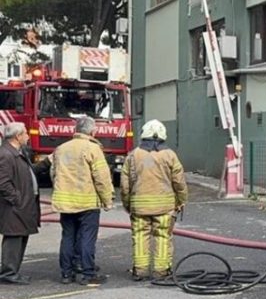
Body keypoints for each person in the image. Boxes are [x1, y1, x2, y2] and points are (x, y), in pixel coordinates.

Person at [120, 120, 187, 281]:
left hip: (139, 207)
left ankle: (140, 271)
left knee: (140, 236)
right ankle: (161, 271)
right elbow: (179, 181)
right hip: (165, 207)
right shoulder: (170, 155)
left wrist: (127, 203)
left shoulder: (133, 155)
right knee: (163, 237)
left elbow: (124, 184)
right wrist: (181, 200)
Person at [51, 116, 113, 284]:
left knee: (68, 237)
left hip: (65, 202)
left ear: (75, 130)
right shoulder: (93, 148)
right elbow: (101, 178)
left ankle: (66, 274)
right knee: (87, 238)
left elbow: (53, 174)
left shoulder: (61, 149)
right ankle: (88, 273)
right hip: (87, 202)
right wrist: (107, 200)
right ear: (93, 131)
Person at [0, 123, 42, 284]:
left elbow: (29, 172)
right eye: (25, 133)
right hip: (14, 207)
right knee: (13, 239)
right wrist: (17, 200)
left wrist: (47, 163)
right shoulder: (5, 154)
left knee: (20, 238)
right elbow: (3, 183)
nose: (28, 136)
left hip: (21, 205)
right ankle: (8, 273)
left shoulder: (18, 152)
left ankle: (12, 272)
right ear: (17, 136)